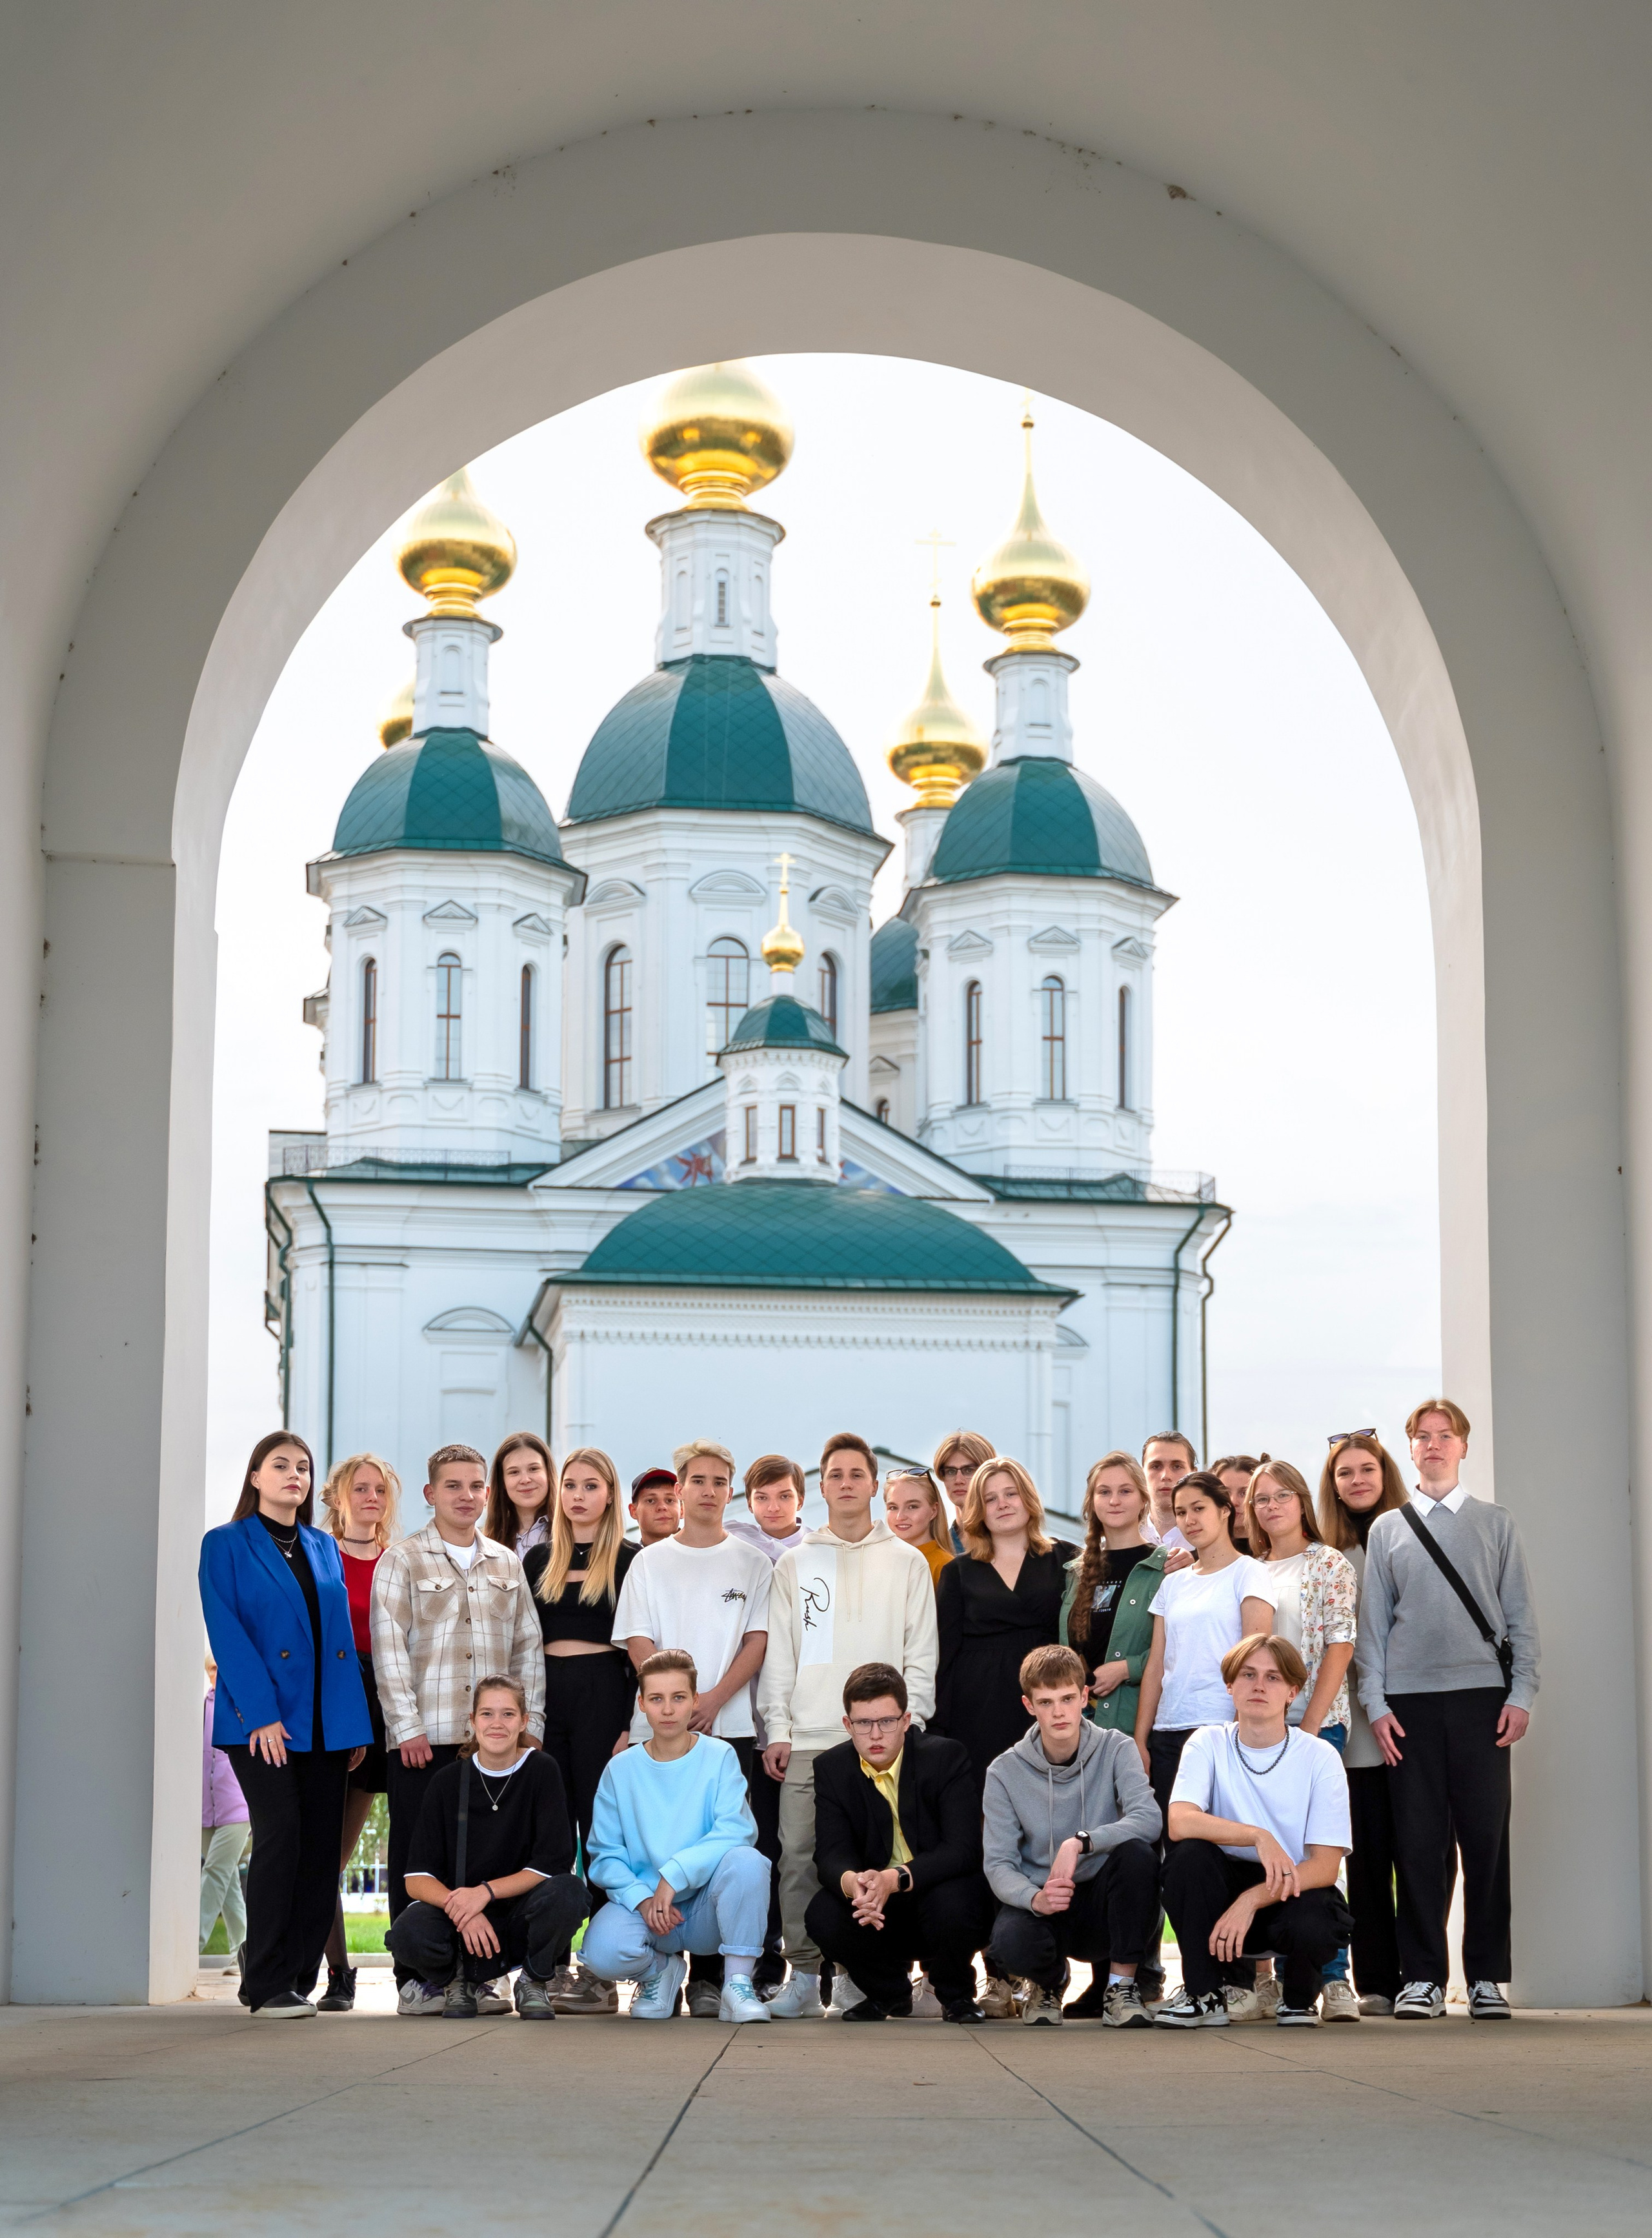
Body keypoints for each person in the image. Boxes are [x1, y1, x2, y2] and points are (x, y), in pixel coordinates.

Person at [1355, 1398, 1540, 2022]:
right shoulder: (1388, 1529)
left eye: (1445, 1436)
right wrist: (1376, 1705)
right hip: (1407, 1705)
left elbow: (1521, 1618)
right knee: (1419, 1846)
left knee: (1486, 1841)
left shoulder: (1495, 1522)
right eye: (1422, 1437)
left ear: (1463, 1446)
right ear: (1410, 1449)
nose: (1433, 1445)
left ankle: (1487, 1977)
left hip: (1483, 1701)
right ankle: (1424, 1980)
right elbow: (1372, 1630)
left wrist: (1521, 1695)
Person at [757, 1431, 939, 2018]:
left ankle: (864, 1973)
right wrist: (778, 1728)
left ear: (872, 1482)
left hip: (884, 1740)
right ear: (823, 1484)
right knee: (800, 1856)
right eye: (834, 1475)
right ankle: (805, 1975)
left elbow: (921, 1653)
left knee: (881, 1859)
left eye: (856, 1475)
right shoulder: (796, 1561)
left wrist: (914, 1725)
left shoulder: (907, 1562)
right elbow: (781, 1654)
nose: (845, 1484)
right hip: (810, 1736)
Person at [199, 1431, 371, 2017]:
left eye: (302, 1467)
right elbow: (229, 1632)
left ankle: (297, 1976)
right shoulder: (224, 1544)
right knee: (281, 1836)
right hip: (264, 1723)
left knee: (323, 1850)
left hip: (327, 1723)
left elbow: (339, 1641)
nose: (293, 1475)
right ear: (255, 1477)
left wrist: (351, 1727)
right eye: (280, 1465)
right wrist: (261, 1714)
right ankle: (266, 1980)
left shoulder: (323, 1546)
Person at [372, 1443, 545, 2018]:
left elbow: (528, 1650)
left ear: (486, 1494)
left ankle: (480, 1975)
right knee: (418, 1860)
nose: (465, 1495)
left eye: (475, 1486)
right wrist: (406, 1727)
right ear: (430, 1494)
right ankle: (417, 1980)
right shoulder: (402, 1560)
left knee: (485, 1862)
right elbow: (389, 1650)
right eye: (453, 1486)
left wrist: (531, 1725)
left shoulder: (506, 1564)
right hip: (428, 1738)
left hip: (495, 1744)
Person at [613, 1438, 771, 2016]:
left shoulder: (753, 1564)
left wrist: (713, 1699)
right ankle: (661, 1966)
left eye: (720, 1482)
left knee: (722, 1849)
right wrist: (673, 1703)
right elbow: (637, 1639)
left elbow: (757, 1641)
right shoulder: (649, 1562)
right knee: (660, 1845)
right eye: (698, 1480)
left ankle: (713, 1978)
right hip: (659, 1728)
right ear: (679, 1488)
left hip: (727, 1725)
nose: (709, 1491)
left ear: (731, 1492)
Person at [1155, 1633, 1353, 2028]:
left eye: (1273, 1678)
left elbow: (1325, 1868)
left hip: (1291, 1888)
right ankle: (1204, 1996)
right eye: (1248, 1674)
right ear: (1230, 1686)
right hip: (1222, 1889)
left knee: (1318, 1912)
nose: (1259, 1685)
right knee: (1188, 1859)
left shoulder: (1319, 1757)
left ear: (1292, 1692)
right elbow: (1179, 1821)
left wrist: (1251, 1900)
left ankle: (1298, 2000)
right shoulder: (1207, 1743)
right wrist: (1258, 1836)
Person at [1133, 1469, 1275, 2019]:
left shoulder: (1250, 1575)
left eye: (1200, 1509)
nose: (1190, 1520)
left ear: (1226, 1512)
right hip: (1171, 1735)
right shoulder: (1174, 1583)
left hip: (1225, 1734)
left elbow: (1256, 1660)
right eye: (1182, 1511)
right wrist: (1142, 1739)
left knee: (1227, 1858)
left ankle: (1236, 1983)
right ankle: (1198, 1984)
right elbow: (1155, 1670)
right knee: (1182, 1860)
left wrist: (1244, 1732)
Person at [581, 1650, 772, 2023]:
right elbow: (605, 1855)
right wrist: (642, 1899)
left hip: (705, 1911)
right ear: (641, 1705)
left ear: (695, 1701)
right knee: (601, 1952)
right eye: (656, 1699)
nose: (668, 1710)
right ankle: (660, 1973)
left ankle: (737, 1984)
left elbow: (736, 1830)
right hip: (648, 1912)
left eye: (678, 1698)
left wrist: (673, 1877)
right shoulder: (620, 1770)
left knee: (749, 1862)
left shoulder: (720, 1757)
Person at [982, 1646, 1162, 2028]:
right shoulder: (1004, 1771)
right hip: (1045, 1899)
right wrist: (1035, 1898)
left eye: (1067, 1699)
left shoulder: (1117, 1747)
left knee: (1138, 1856)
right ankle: (1049, 1983)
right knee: (1009, 1944)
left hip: (1101, 1902)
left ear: (1085, 1697)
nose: (1059, 1712)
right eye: (1046, 1702)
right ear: (1029, 1706)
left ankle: (1120, 1986)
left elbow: (1149, 1818)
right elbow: (998, 1863)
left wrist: (1081, 1841)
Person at [390, 1674, 588, 2019]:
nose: (497, 1724)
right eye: (487, 1714)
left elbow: (553, 1862)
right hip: (465, 1924)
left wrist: (484, 1893)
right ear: (472, 1721)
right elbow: (416, 1879)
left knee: (569, 1892)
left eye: (508, 1714)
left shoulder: (542, 1770)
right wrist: (463, 1909)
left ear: (525, 1721)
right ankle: (458, 1982)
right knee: (407, 1932)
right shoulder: (448, 1781)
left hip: (522, 1919)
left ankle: (534, 1980)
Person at [805, 1661, 994, 2023]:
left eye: (887, 1722)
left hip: (934, 1892)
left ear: (906, 1721)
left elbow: (964, 1849)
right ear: (848, 1725)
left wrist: (896, 1879)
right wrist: (854, 1884)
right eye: (863, 1723)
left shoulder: (945, 1757)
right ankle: (889, 1994)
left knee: (957, 1899)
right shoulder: (832, 1768)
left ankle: (956, 1996)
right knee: (823, 1913)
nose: (876, 1734)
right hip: (878, 1906)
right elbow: (829, 1853)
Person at [523, 1446, 639, 2015]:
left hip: (602, 1695)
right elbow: (522, 1644)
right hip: (546, 1698)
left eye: (591, 1485)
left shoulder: (631, 1559)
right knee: (546, 1835)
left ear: (610, 1494)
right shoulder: (538, 1558)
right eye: (570, 1485)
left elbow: (639, 1651)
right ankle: (544, 1966)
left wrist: (627, 1723)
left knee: (599, 1836)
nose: (578, 1495)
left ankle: (600, 1971)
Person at [1318, 1430, 1410, 2013]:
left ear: (1385, 1474)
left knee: (1418, 1853)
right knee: (1369, 1856)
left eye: (1366, 1469)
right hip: (1355, 1728)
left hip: (1411, 1714)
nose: (1356, 1481)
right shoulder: (1330, 1551)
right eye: (1344, 1473)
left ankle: (1423, 1971)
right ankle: (1377, 1980)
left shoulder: (1408, 1537)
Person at [314, 1449, 400, 2011]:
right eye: (361, 1488)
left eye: (380, 1490)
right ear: (339, 1496)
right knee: (319, 1853)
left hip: (386, 1701)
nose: (372, 1497)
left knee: (340, 1852)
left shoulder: (401, 1560)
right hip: (332, 1698)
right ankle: (337, 1974)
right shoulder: (320, 1556)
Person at [935, 1457, 1078, 1794]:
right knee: (987, 1803)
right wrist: (938, 1725)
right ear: (978, 1509)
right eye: (990, 1498)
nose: (1002, 1504)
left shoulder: (1068, 1559)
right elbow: (944, 1651)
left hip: (1047, 1696)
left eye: (1011, 1494)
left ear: (1028, 1498)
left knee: (1052, 1800)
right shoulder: (958, 1572)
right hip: (978, 1704)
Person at [725, 1452, 809, 1991]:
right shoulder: (738, 1549)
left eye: (783, 1496)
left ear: (801, 1499)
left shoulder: (816, 1551)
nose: (773, 1507)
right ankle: (754, 1955)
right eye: (762, 1497)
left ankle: (800, 1959)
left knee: (793, 1847)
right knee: (751, 1846)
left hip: (797, 1723)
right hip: (740, 1720)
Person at [1060, 1451, 1178, 1735]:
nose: (1114, 1501)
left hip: (1135, 1720)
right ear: (1092, 1503)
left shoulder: (1167, 1567)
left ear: (1142, 1500)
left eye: (1125, 1491)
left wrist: (1128, 1668)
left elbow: (1182, 1645)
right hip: (1080, 1723)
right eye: (1104, 1492)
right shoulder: (1075, 1572)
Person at [200, 1657, 250, 1971]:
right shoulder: (200, 1707)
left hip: (238, 1805)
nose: (217, 1674)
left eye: (222, 1667)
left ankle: (192, 1943)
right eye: (213, 1669)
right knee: (227, 1879)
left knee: (215, 1873)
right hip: (205, 1808)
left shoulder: (241, 1704)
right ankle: (241, 1950)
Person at [485, 1431, 554, 1557]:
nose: (525, 1480)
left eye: (533, 1469)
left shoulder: (571, 1533)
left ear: (549, 1473)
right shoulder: (487, 1542)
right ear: (502, 1482)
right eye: (514, 1472)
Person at [884, 1467, 954, 1584]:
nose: (900, 1517)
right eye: (893, 1508)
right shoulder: (878, 1561)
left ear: (934, 1510)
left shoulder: (945, 1566)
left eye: (912, 1506)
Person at [933, 1431, 994, 1553]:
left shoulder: (1007, 1540)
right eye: (951, 1471)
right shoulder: (940, 1548)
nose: (959, 1480)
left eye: (968, 1470)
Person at [1141, 1431, 1196, 1551]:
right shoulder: (1123, 1537)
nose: (1166, 1476)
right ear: (1141, 1474)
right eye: (1156, 1466)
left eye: (1177, 1466)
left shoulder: (1209, 1537)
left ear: (1193, 1473)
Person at [1212, 1453, 1262, 1551]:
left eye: (1244, 1493)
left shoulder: (1277, 1552)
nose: (1233, 1502)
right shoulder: (1199, 1554)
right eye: (1225, 1493)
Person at [628, 1466, 684, 1547]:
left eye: (670, 1500)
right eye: (651, 1501)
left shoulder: (702, 1553)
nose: (662, 1507)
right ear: (633, 1511)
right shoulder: (623, 1559)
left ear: (682, 1510)